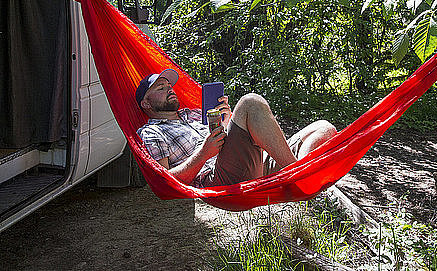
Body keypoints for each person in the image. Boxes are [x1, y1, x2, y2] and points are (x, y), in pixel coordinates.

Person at [136, 69, 337, 188]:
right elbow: (165, 181)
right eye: (160, 88)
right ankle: (299, 175)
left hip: (250, 162)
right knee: (250, 102)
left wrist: (229, 119)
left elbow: (227, 138)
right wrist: (204, 154)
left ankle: (297, 174)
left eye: (169, 86)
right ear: (146, 104)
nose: (169, 89)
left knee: (324, 128)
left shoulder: (195, 113)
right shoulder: (151, 132)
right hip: (220, 176)